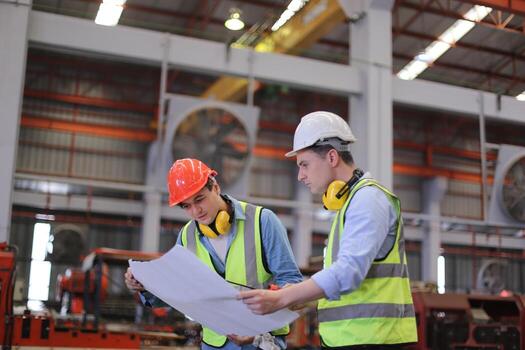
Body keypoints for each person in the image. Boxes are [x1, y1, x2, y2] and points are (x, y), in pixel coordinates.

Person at [239, 111, 418, 349]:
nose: (301, 175)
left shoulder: (368, 199)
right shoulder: (350, 205)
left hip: (375, 340)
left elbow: (347, 273)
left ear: (332, 157)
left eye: (304, 165)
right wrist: (294, 297)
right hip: (355, 340)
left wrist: (282, 297)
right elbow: (342, 288)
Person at [125, 158, 302, 350]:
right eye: (186, 206)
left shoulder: (262, 222)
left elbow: (292, 282)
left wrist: (261, 323)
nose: (195, 211)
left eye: (199, 199)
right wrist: (143, 285)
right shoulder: (187, 236)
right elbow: (178, 291)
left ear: (215, 187)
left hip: (261, 342)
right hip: (214, 344)